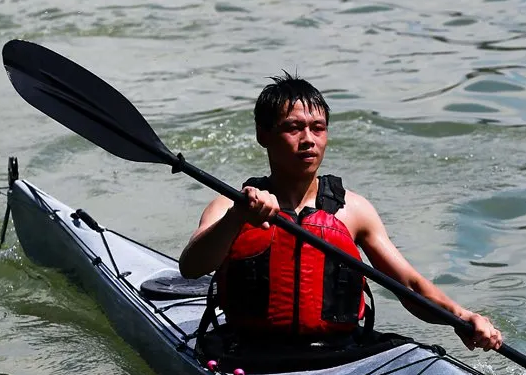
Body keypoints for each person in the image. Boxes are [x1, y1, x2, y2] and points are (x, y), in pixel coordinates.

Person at [179, 73, 502, 352]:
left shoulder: (354, 211)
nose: (308, 140)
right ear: (263, 135)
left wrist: (462, 318)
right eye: (293, 128)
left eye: (317, 128)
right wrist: (237, 218)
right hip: (248, 352)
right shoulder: (230, 205)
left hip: (339, 354)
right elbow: (191, 266)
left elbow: (410, 286)